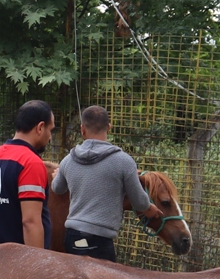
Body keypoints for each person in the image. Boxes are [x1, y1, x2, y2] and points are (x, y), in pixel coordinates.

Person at [51, 104, 151, 262]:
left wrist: (59, 174)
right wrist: (150, 207)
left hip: (74, 238)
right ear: (109, 127)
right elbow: (140, 202)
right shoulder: (124, 161)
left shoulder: (68, 160)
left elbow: (57, 188)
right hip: (100, 241)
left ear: (82, 129)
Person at [0, 99, 55, 249]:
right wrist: (36, 267)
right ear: (40, 128)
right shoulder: (31, 163)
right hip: (18, 264)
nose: (50, 137)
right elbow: (30, 222)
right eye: (51, 130)